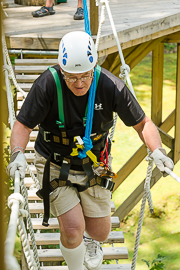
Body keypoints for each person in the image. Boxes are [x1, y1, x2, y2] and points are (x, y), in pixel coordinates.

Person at [6, 31, 174, 270]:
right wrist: (18, 153)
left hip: (95, 162)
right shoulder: (47, 84)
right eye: (72, 77)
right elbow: (22, 125)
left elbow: (142, 123)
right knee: (73, 229)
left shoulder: (109, 85)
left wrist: (157, 150)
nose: (79, 83)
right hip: (55, 163)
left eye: (85, 75)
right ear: (61, 70)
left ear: (94, 67)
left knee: (100, 232)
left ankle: (88, 240)